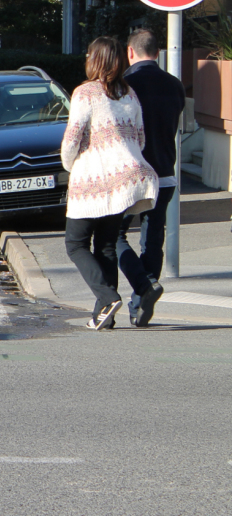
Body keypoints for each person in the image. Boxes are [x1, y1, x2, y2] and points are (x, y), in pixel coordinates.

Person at [61, 37, 158, 330]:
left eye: (89, 54)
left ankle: (106, 297)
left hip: (93, 180)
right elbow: (140, 138)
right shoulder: (129, 93)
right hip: (126, 179)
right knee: (105, 246)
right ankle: (105, 315)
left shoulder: (85, 92)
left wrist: (70, 165)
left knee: (75, 244)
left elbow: (72, 139)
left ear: (97, 59)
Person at [116, 28, 186, 326]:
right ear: (158, 53)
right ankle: (140, 304)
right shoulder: (175, 85)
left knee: (113, 235)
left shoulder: (124, 85)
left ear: (129, 52)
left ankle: (144, 285)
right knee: (152, 240)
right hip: (166, 175)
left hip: (133, 176)